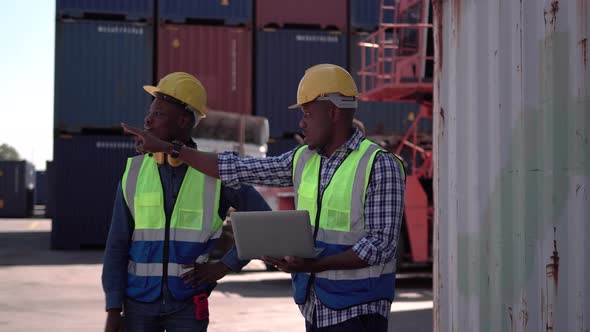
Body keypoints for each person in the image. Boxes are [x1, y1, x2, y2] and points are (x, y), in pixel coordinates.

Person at [123, 64, 406, 332]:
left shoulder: (380, 164)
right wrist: (172, 149)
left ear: (332, 112)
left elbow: (381, 245)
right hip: (316, 304)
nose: (301, 123)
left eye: (307, 113)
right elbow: (236, 169)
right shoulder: (304, 159)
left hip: (358, 309)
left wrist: (314, 265)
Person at [102, 72, 270, 332]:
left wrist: (225, 265)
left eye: (158, 114)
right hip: (137, 307)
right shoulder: (133, 171)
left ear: (182, 121)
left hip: (188, 307)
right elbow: (116, 245)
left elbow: (265, 220)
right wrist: (113, 308)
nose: (147, 120)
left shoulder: (214, 173)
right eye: (150, 112)